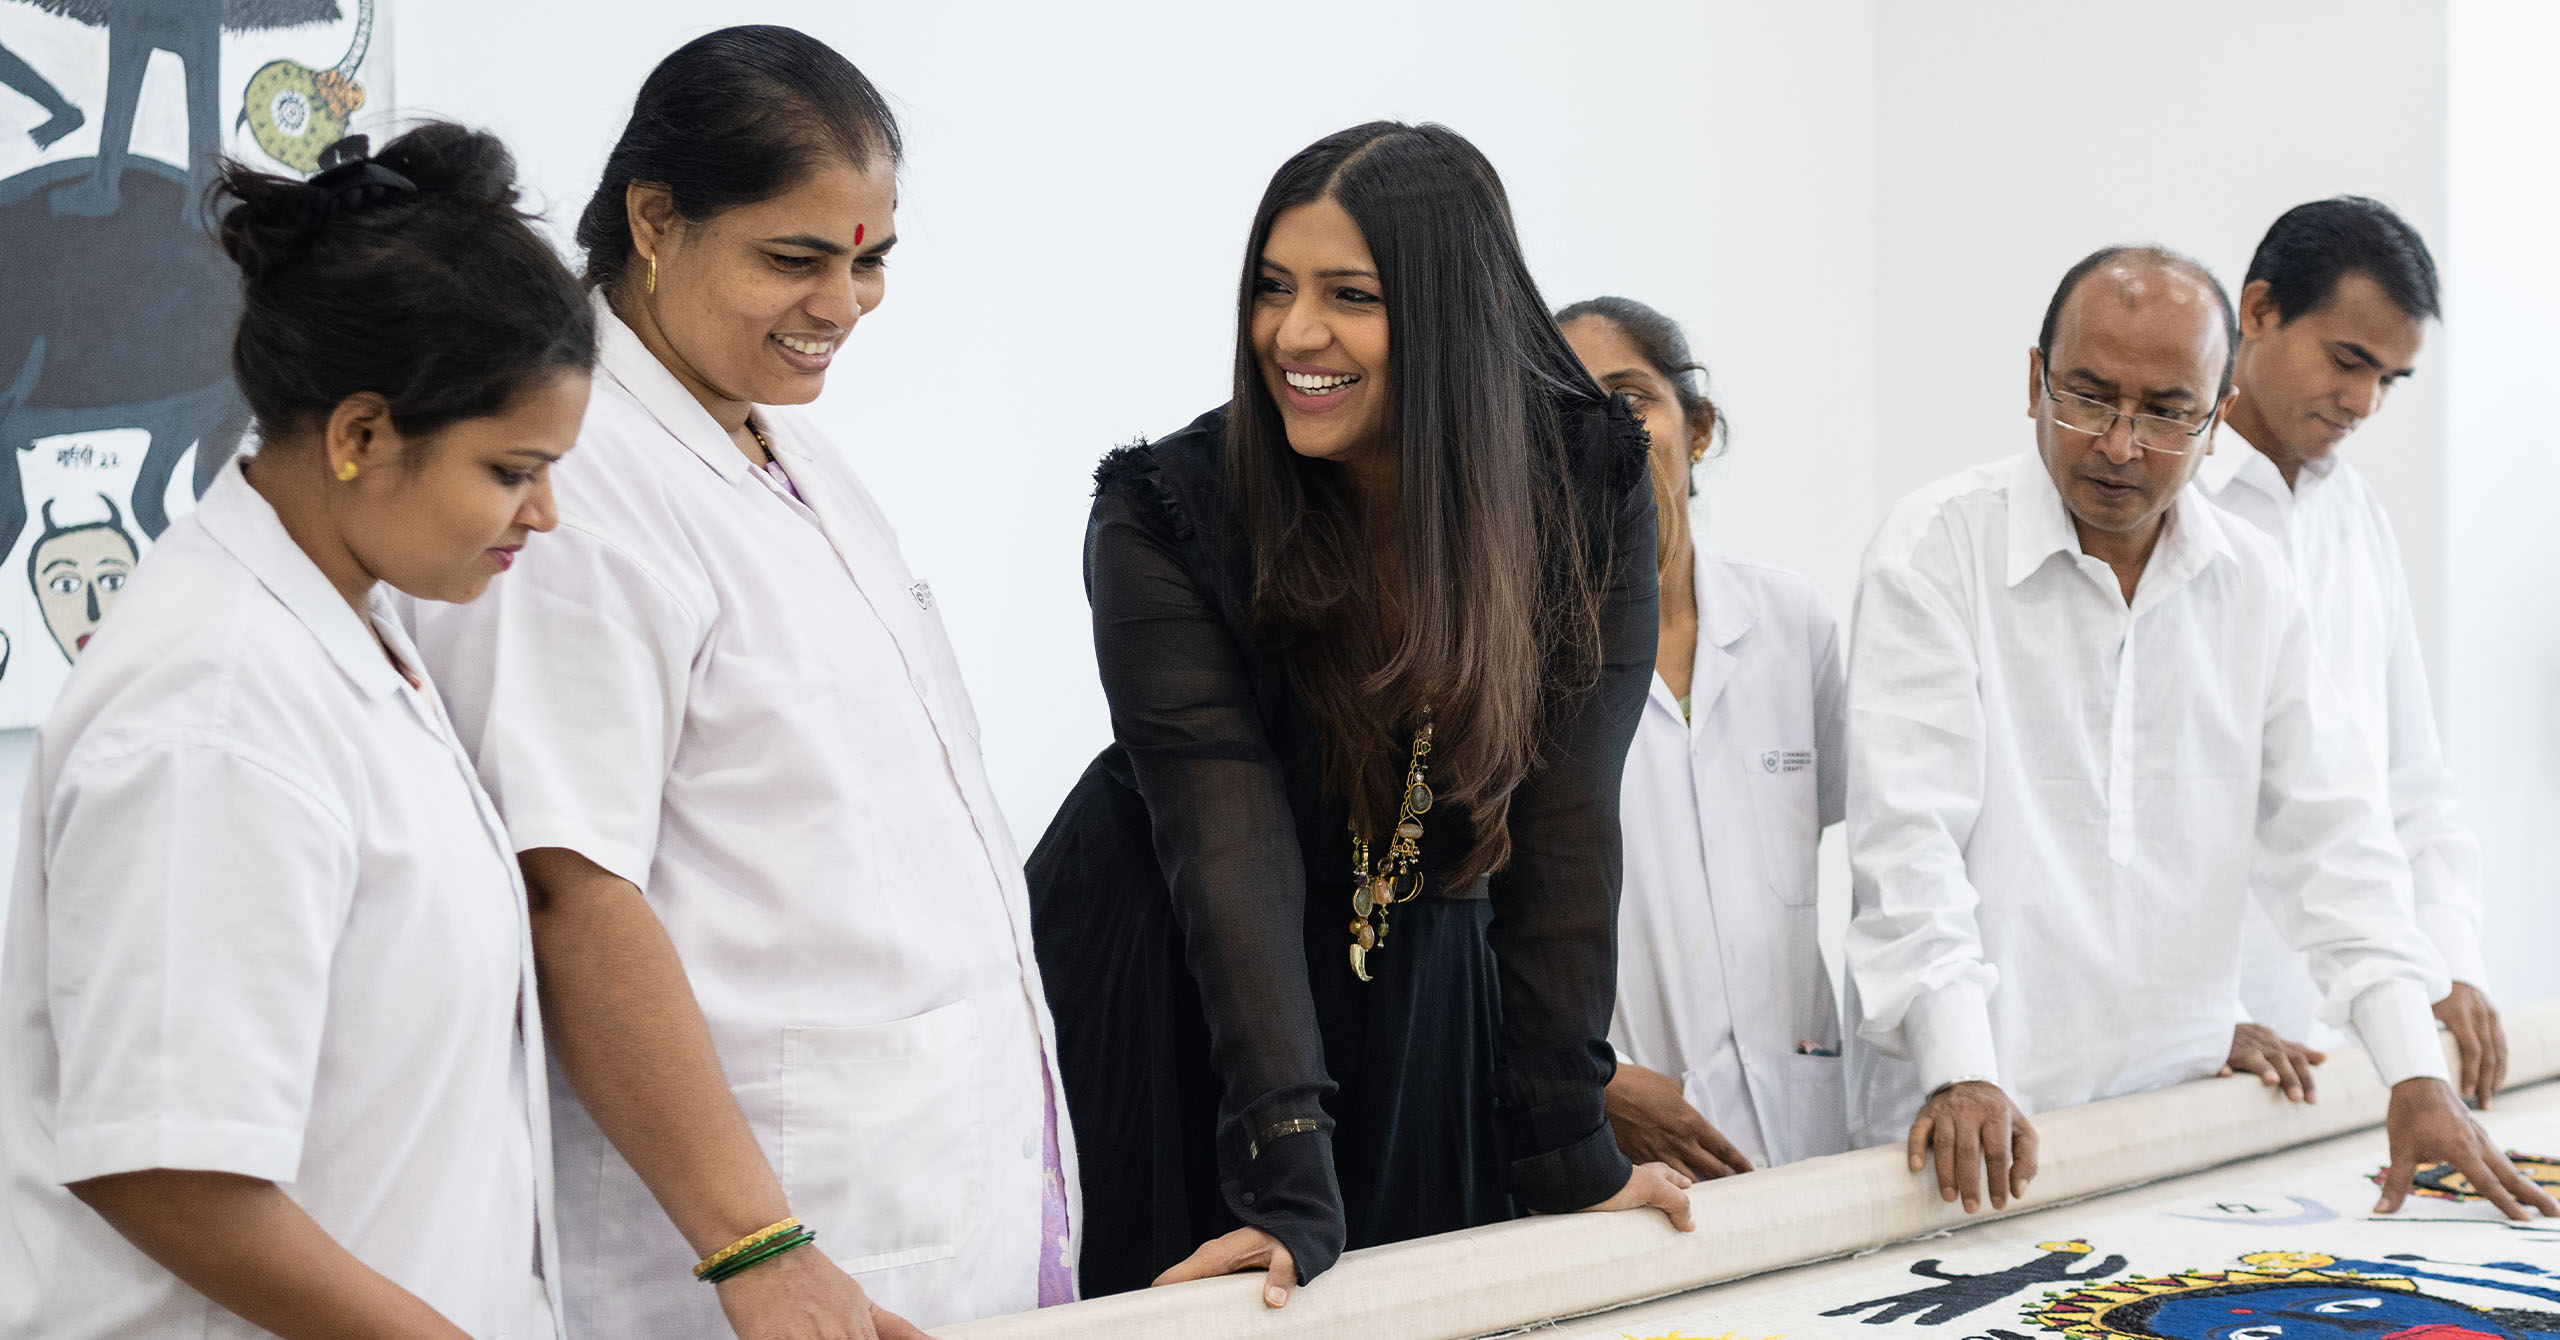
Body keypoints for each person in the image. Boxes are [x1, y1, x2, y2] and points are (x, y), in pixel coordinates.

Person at [404, 27, 1068, 1340]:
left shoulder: (784, 453)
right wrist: (754, 1243)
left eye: (870, 261)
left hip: (921, 1186)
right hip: (760, 1235)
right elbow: (570, 886)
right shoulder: (574, 487)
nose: (843, 303)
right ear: (656, 220)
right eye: (794, 259)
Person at [1027, 121, 1694, 1312]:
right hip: (1176, 961)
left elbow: (1566, 820)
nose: (1294, 333)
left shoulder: (1585, 479)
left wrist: (1568, 1148)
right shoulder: (1164, 512)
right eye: (1272, 287)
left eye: (1351, 295)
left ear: (1448, 312)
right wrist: (1282, 1166)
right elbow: (1227, 848)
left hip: (1420, 953)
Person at [0, 124, 596, 1339]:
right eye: (511, 469)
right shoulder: (212, 713)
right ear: (361, 434)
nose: (545, 512)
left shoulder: (339, 634)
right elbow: (166, 1168)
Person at [1840, 244, 2556, 1223]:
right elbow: (1907, 846)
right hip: (1968, 1124)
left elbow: (2336, 841)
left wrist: (2412, 1070)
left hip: (2174, 1128)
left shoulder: (2252, 583)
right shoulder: (1936, 549)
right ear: (2034, 381)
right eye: (2088, 398)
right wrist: (1962, 1067)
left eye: (2166, 412)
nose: (2119, 444)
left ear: (2217, 417)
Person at [2197, 198, 2503, 1108]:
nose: (2363, 403)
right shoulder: (2160, 507)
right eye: (2347, 361)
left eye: (2390, 380)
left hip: (2346, 1035)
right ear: (2259, 312)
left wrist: (2445, 959)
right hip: (2192, 1040)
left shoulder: (2355, 514)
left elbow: (2407, 777)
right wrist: (2189, 1017)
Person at [1556, 296, 1850, 1175]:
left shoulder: (1791, 623)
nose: (1604, 428)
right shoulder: (1524, 660)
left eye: (1630, 397)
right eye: (1567, 409)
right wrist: (1595, 1082)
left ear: (1700, 427)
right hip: (1629, 1141)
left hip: (1806, 1128)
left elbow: (1875, 858)